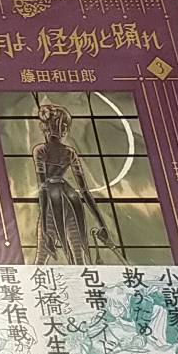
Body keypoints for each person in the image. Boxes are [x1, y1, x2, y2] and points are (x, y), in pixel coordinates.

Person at [33, 103, 116, 265]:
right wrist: (102, 225)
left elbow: (43, 188)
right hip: (69, 198)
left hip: (55, 201)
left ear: (44, 127)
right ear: (64, 130)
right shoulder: (69, 153)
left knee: (42, 258)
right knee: (78, 257)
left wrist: (45, 230)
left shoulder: (40, 150)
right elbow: (84, 191)